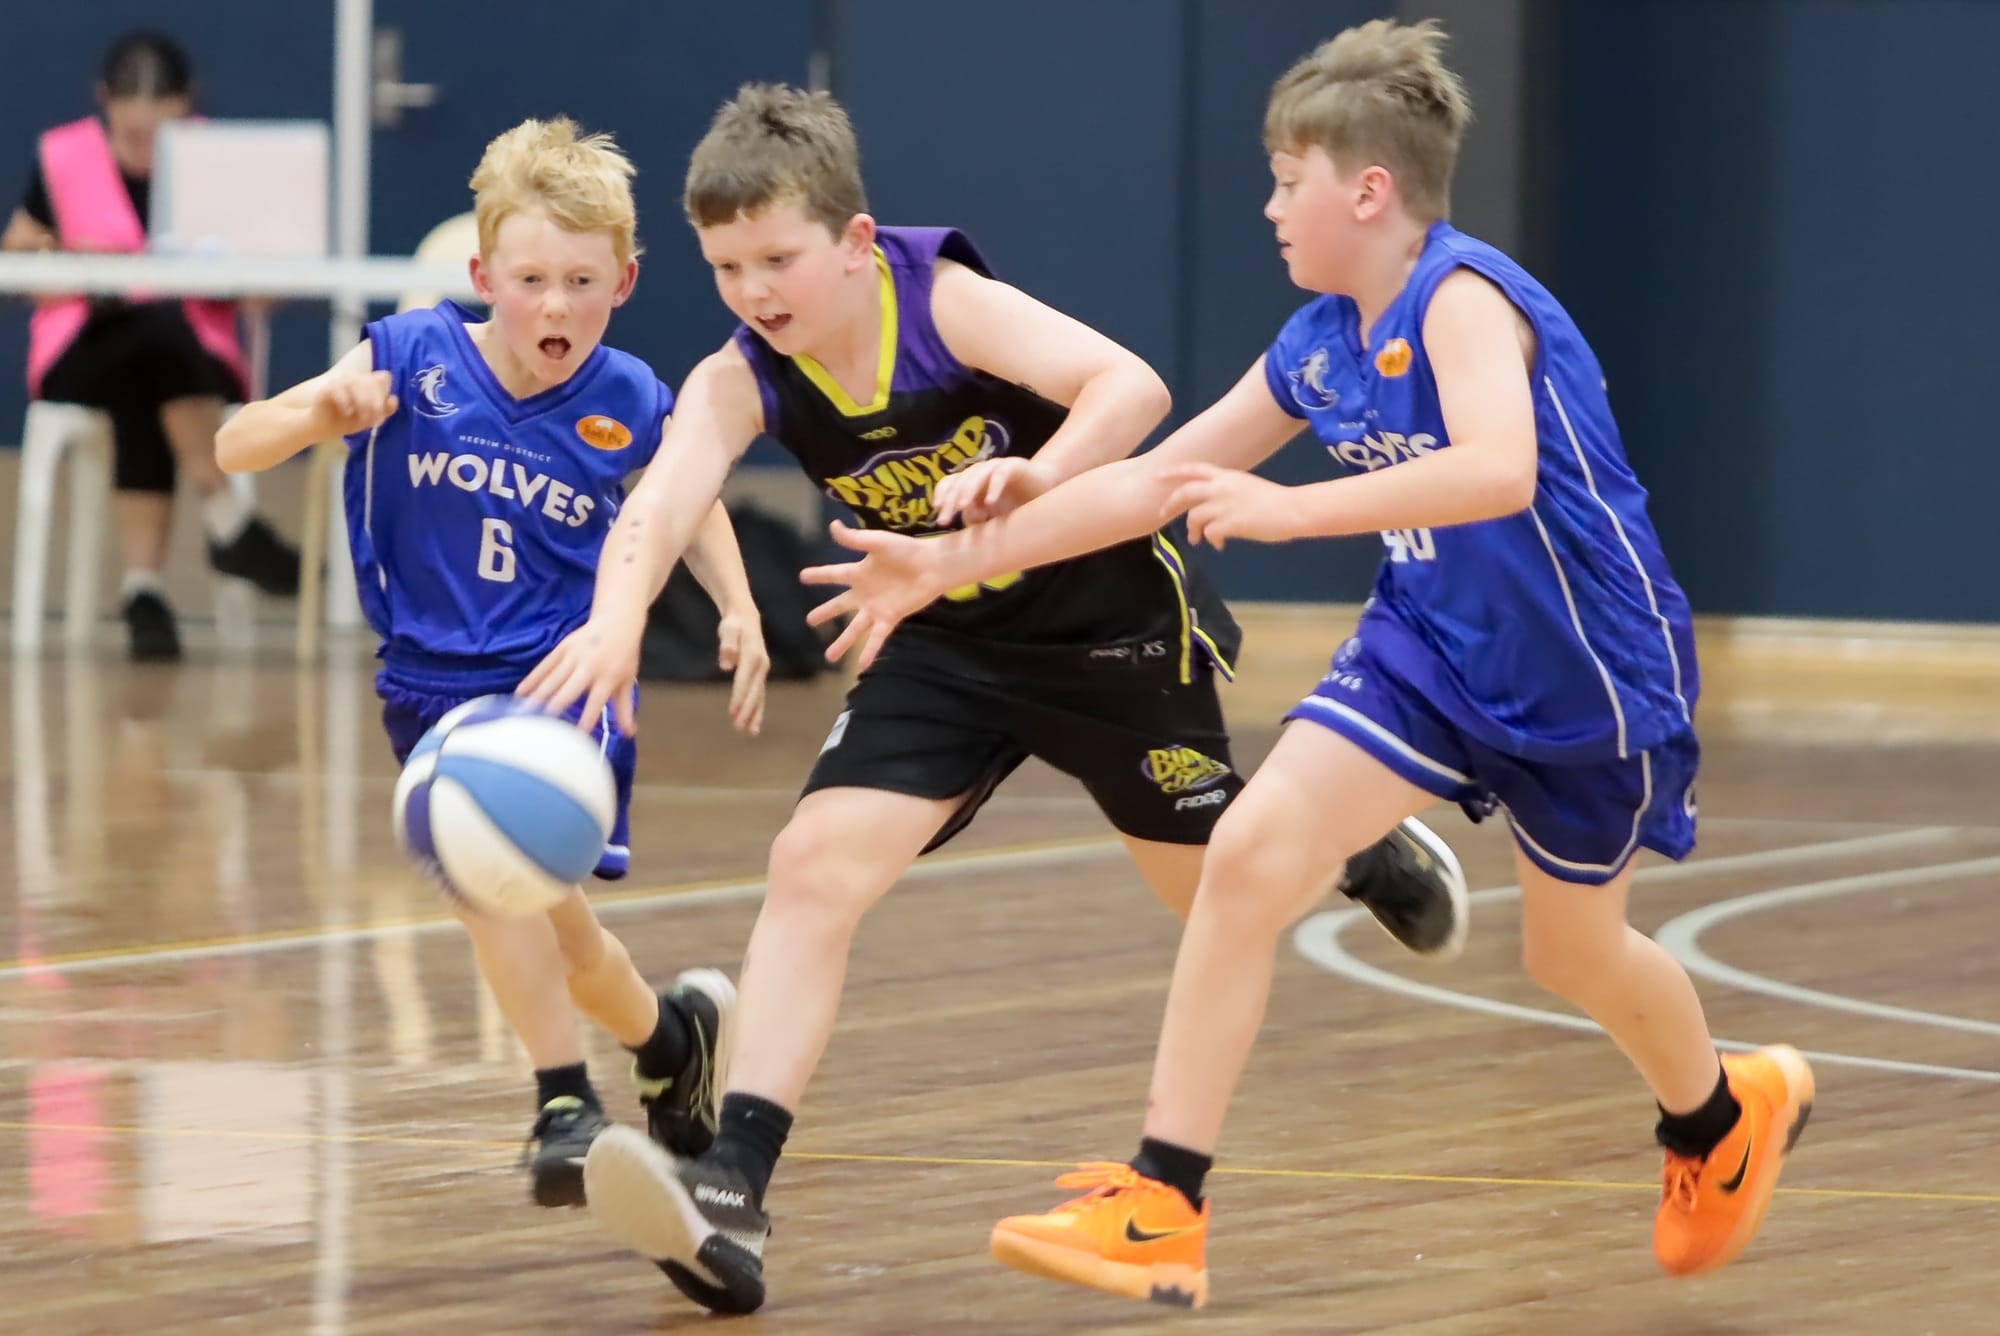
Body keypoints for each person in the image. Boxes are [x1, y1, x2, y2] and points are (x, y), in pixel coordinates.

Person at [800, 19, 1814, 1309]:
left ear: (1367, 189)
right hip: (1425, 647)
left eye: (1288, 180)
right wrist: (953, 554)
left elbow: (1496, 469)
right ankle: (1163, 1201)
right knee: (1246, 856)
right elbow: (1159, 481)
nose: (1270, 207)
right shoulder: (1319, 339)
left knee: (1572, 955)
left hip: (1586, 670)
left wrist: (1288, 511)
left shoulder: (1461, 299)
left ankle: (1719, 1116)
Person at [518, 83, 1468, 1315]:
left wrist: (1040, 473)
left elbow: (1126, 387)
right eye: (725, 268)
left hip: (1106, 627)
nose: (754, 292)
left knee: (1213, 895)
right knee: (810, 866)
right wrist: (613, 620)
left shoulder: (940, 301)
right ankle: (732, 1186)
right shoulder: (740, 376)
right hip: (943, 637)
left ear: (854, 243)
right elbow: (659, 500)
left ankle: (1346, 844)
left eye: (777, 260)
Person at [216, 117, 768, 1207]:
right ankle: (671, 1041)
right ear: (482, 277)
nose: (555, 306)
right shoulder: (407, 354)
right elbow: (239, 442)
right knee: (555, 926)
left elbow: (684, 501)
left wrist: (739, 604)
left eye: (581, 282)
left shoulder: (625, 394)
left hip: (564, 677)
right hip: (426, 683)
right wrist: (318, 409)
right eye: (531, 281)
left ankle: (564, 1100)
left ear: (624, 281)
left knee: (495, 892)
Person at [3, 30, 301, 660]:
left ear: (188, 106)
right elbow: (18, 262)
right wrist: (68, 255)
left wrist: (240, 271)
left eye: (159, 136)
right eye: (132, 134)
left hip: (191, 358)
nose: (145, 150)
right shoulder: (65, 156)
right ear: (104, 102)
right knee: (150, 330)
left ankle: (144, 596)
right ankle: (227, 520)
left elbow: (267, 291)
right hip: (81, 352)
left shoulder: (218, 162)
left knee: (150, 351)